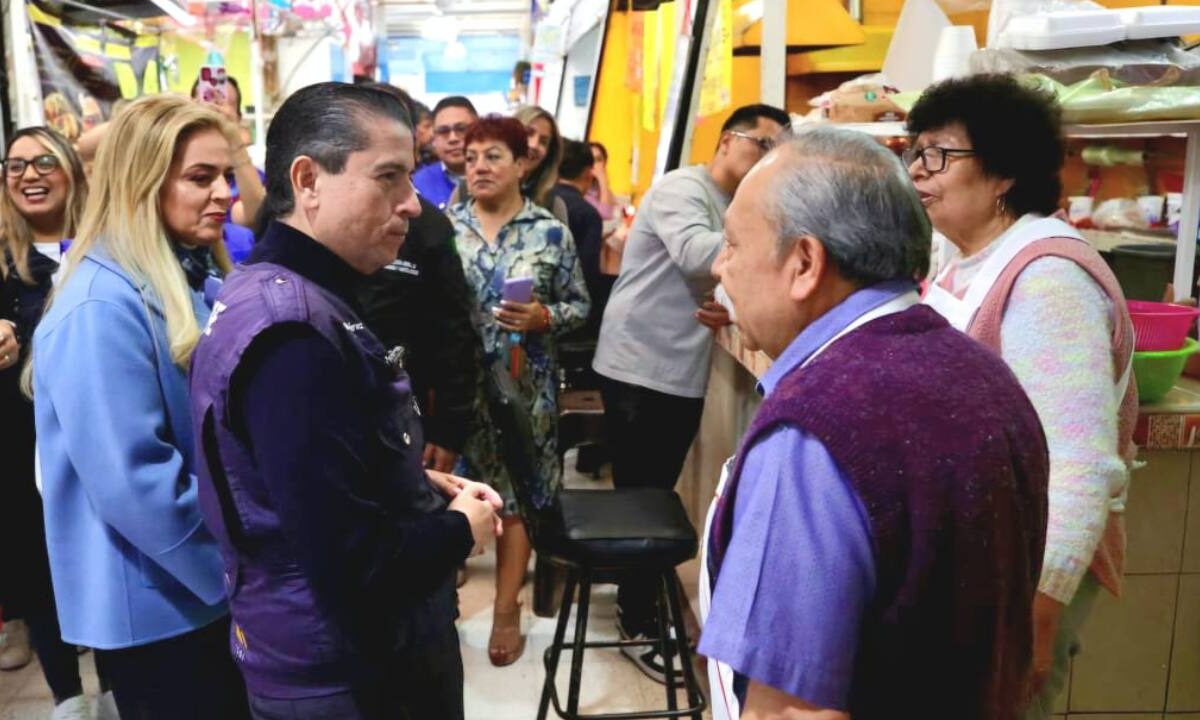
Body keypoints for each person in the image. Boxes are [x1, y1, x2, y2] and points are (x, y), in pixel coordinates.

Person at [700, 126, 1050, 719]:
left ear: (805, 263)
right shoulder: (986, 376)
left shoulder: (811, 435)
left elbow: (786, 710)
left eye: (733, 244)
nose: (719, 264)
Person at [190, 82, 502, 720]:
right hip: (348, 675)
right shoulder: (293, 335)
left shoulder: (287, 292)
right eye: (388, 178)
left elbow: (308, 486)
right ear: (308, 180)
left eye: (410, 180)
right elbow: (350, 565)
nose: (411, 205)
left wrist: (407, 482)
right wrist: (457, 531)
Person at [907, 74, 1136, 720]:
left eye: (940, 155)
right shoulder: (964, 259)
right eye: (915, 152)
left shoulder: (1047, 279)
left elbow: (1077, 466)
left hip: (1024, 570)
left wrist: (1039, 614)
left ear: (1003, 173)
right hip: (977, 550)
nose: (921, 171)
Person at [29, 94, 250, 719]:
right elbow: (134, 482)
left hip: (191, 594)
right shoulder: (101, 303)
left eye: (226, 175)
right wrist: (236, 573)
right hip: (161, 605)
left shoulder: (176, 276)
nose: (223, 194)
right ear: (143, 179)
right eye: (201, 177)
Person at [592, 102, 789, 681]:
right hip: (639, 363)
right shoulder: (683, 188)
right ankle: (636, 617)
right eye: (763, 146)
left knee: (654, 490)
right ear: (729, 141)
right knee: (642, 494)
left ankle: (642, 597)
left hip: (673, 366)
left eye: (779, 151)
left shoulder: (732, 203)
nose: (770, 160)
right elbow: (697, 255)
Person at [448, 115, 589, 667]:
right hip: (459, 392)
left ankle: (507, 606)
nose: (479, 167)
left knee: (518, 500)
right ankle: (445, 600)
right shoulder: (444, 227)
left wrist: (543, 316)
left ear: (522, 165)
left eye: (493, 157)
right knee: (453, 492)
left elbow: (580, 305)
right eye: (472, 156)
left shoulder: (549, 230)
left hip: (526, 391)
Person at [0, 127, 117, 720]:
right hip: (26, 451)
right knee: (40, 567)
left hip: (104, 435)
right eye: (15, 165)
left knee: (112, 556)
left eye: (45, 160)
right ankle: (69, 696)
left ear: (73, 170)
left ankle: (121, 680)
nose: (28, 174)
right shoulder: (1, 263)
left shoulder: (108, 246)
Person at [357, 83, 480, 475]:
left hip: (406, 410)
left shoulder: (425, 223)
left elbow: (454, 332)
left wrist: (448, 429)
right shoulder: (313, 218)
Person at [190, 74, 265, 229]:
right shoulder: (174, 172)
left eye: (225, 101)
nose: (214, 108)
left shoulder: (254, 179)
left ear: (238, 117)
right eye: (206, 99)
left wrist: (233, 136)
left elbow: (255, 216)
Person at [553, 138, 609, 337]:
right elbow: (587, 277)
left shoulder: (539, 200)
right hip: (566, 317)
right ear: (587, 173)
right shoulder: (587, 214)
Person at [413, 96, 478, 210]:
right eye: (443, 131)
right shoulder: (417, 184)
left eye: (461, 129)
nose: (453, 138)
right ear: (434, 137)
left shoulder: (500, 177)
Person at [513, 106, 569, 223]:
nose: (534, 145)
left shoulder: (553, 206)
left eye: (543, 142)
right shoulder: (474, 190)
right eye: (528, 133)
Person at [586, 141, 617, 221]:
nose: (594, 164)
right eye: (590, 159)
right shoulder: (581, 190)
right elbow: (605, 215)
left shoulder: (600, 188)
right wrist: (603, 181)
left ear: (604, 163)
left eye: (598, 160)